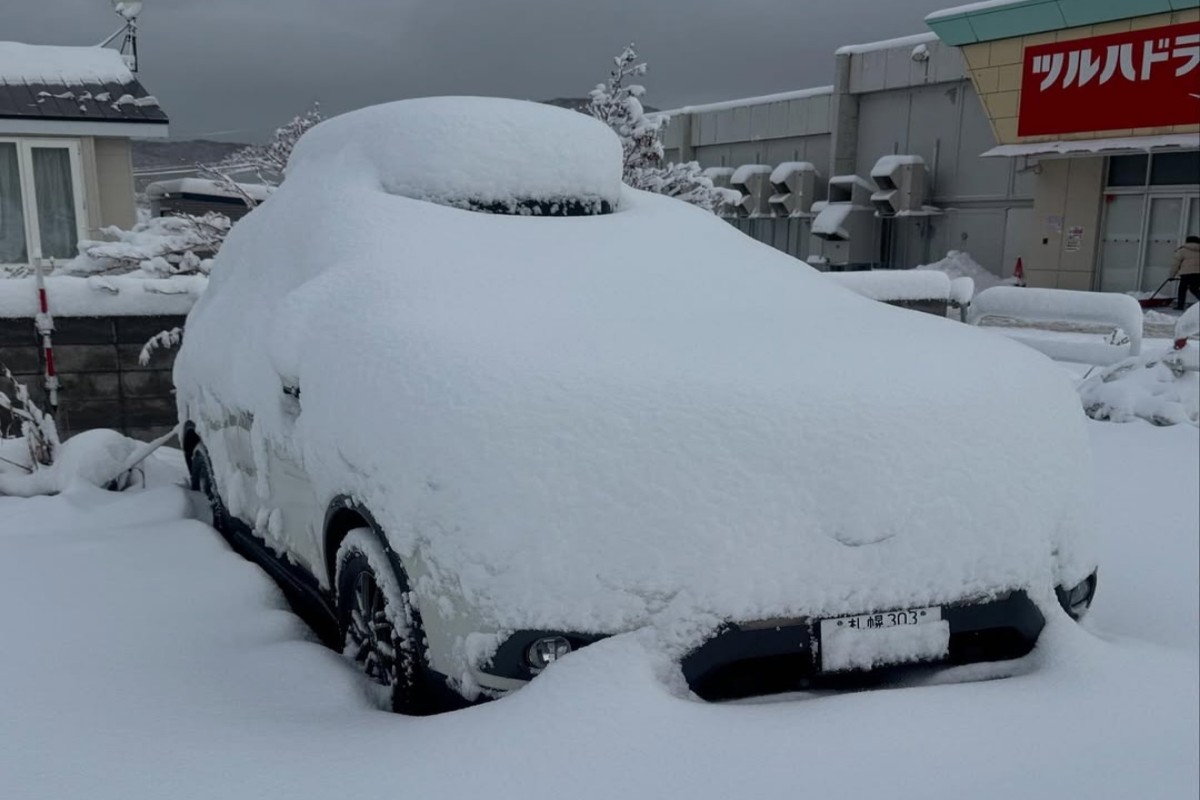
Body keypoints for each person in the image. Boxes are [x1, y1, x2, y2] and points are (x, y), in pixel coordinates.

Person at [1170, 234, 1200, 311]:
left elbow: (1175, 264)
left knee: (1182, 289)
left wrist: (1171, 276)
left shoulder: (1182, 251)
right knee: (1194, 289)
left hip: (1186, 274)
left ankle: (1180, 306)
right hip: (1198, 274)